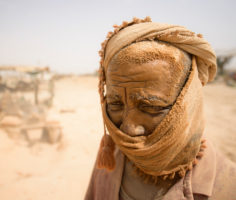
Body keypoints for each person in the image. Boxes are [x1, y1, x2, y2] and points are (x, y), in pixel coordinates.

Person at [85, 17, 236, 200]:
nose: (128, 129)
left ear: (189, 102)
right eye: (115, 104)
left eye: (151, 107)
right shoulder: (111, 159)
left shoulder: (228, 186)